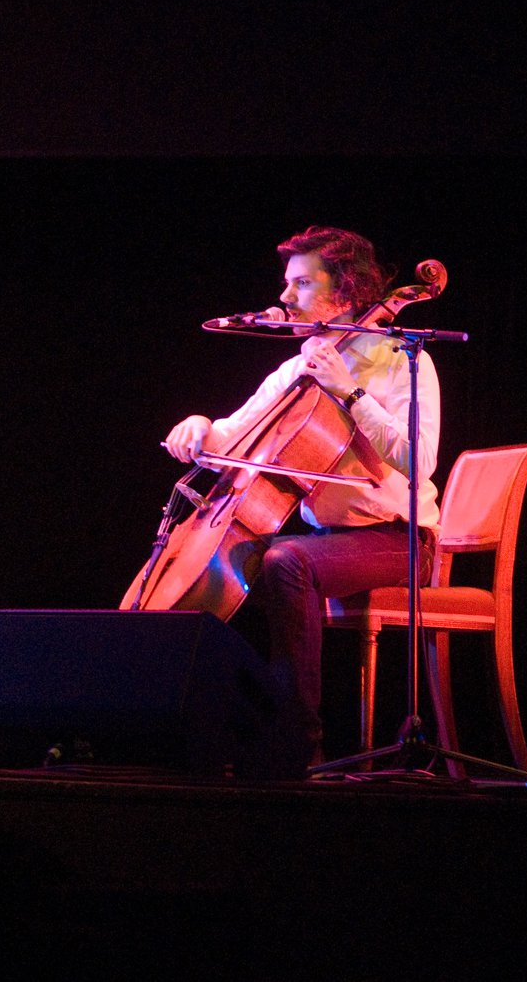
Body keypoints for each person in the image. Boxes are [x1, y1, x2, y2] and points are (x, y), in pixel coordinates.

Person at [162, 225, 440, 762]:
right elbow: (234, 434)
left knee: (285, 560)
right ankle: (228, 727)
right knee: (243, 565)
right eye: (286, 284)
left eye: (301, 284)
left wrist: (350, 391)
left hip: (399, 541)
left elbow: (419, 459)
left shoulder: (403, 359)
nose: (286, 297)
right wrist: (199, 427)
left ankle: (297, 742)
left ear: (347, 290)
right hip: (328, 544)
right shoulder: (295, 368)